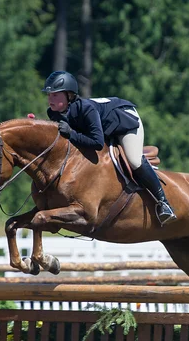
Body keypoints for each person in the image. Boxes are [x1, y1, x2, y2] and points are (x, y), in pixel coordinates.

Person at [42, 70, 177, 225]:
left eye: (55, 95)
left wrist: (71, 134)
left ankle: (163, 203)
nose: (50, 99)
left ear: (69, 95)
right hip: (105, 126)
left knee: (134, 160)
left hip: (125, 120)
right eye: (49, 95)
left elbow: (97, 142)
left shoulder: (86, 109)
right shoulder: (53, 113)